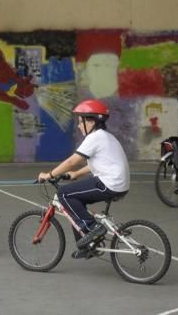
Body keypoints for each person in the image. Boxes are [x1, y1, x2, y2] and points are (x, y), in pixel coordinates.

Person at [38, 99, 130, 259]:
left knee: (64, 194)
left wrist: (49, 174)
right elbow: (99, 163)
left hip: (109, 183)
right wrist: (76, 174)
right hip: (117, 183)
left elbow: (72, 161)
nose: (79, 125)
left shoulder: (95, 138)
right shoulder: (105, 137)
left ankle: (94, 229)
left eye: (81, 121)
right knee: (76, 203)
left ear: (91, 121)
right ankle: (88, 246)